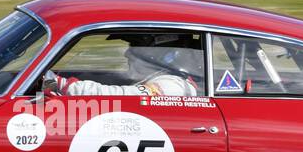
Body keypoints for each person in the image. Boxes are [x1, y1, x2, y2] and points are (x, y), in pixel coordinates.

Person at [44, 39, 202, 96]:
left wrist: (62, 84)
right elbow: (112, 81)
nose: (127, 53)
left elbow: (122, 94)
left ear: (160, 55)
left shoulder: (172, 86)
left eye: (136, 47)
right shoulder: (157, 78)